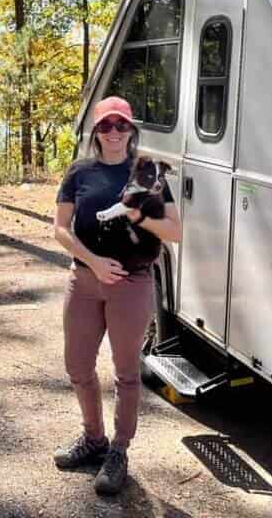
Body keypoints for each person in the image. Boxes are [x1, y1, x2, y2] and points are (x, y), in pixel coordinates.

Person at [52, 96, 182, 495]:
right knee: (77, 365)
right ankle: (94, 439)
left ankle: (119, 451)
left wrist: (137, 214)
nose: (113, 133)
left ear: (131, 130)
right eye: (105, 126)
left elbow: (175, 232)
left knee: (126, 373)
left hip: (133, 283)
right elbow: (60, 230)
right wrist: (93, 262)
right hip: (85, 281)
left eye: (120, 125)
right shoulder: (80, 171)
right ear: (96, 132)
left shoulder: (149, 173)